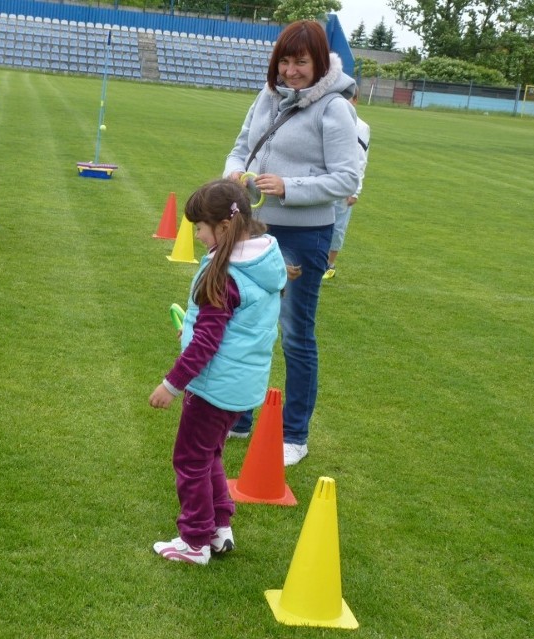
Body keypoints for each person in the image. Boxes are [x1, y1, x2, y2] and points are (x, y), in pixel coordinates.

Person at [223, 20, 359, 466]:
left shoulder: (335, 108)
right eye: (285, 60)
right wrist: (232, 172)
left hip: (304, 236)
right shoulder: (266, 96)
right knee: (245, 325)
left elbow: (346, 178)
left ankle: (294, 434)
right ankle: (240, 416)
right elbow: (242, 145)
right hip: (255, 229)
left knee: (296, 335)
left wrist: (288, 186)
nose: (291, 70)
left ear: (319, 62)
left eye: (301, 61)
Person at [149, 179, 287, 565]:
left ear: (223, 228)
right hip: (242, 385)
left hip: (214, 387)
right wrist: (191, 328)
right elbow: (231, 328)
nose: (196, 234)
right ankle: (219, 527)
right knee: (209, 454)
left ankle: (194, 541)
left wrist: (171, 385)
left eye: (200, 227)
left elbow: (208, 343)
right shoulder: (261, 263)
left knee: (190, 459)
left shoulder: (225, 275)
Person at [324, 92, 371, 280]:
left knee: (338, 226)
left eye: (349, 98)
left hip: (344, 185)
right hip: (323, 182)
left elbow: (360, 159)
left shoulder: (361, 126)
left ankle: (329, 265)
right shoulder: (328, 119)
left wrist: (355, 190)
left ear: (356, 100)